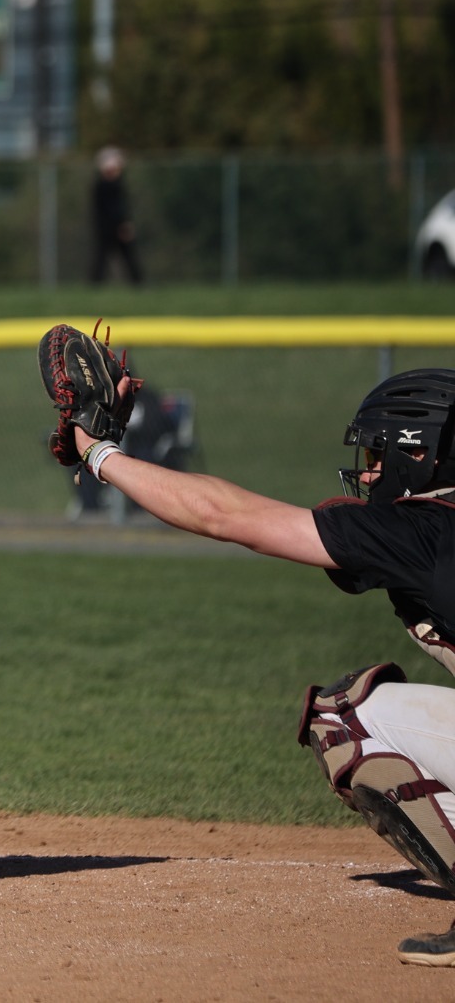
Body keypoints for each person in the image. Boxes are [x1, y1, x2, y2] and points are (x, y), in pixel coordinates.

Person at [55, 363, 455, 966]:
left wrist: (99, 452)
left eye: (378, 453)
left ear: (419, 453)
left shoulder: (419, 531)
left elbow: (223, 515)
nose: (369, 470)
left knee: (346, 719)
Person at [89, 145, 142, 285]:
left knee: (106, 258)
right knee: (116, 257)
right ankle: (137, 283)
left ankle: (96, 284)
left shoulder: (106, 185)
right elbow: (116, 208)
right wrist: (123, 224)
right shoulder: (108, 186)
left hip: (107, 227)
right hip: (111, 228)